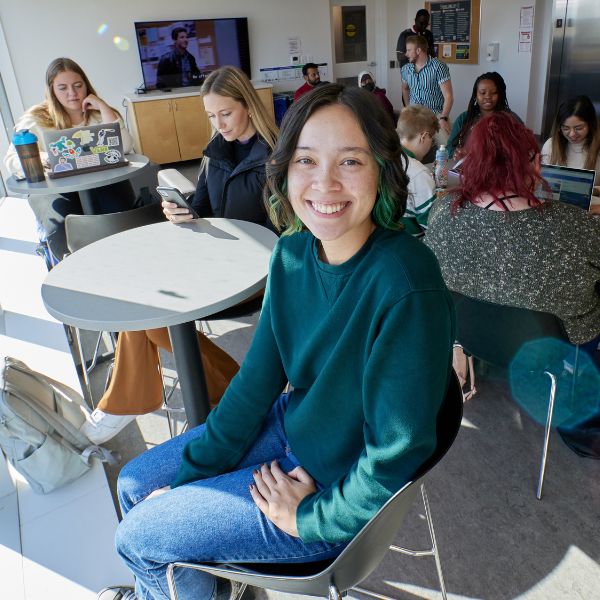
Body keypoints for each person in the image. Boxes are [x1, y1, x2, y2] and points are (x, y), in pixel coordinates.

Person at [103, 83, 454, 600]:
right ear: (285, 168)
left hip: (329, 491)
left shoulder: (405, 282)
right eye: (306, 161)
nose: (324, 184)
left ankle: (167, 582)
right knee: (134, 487)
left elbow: (394, 456)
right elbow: (254, 385)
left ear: (382, 167)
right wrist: (189, 478)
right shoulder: (292, 252)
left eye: (350, 162)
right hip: (289, 430)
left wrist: (312, 517)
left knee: (137, 538)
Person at [81, 66, 279, 445]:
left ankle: (126, 403)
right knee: (144, 305)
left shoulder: (274, 158)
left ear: (248, 106)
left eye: (226, 113)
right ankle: (231, 387)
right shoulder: (216, 152)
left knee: (152, 315)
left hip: (258, 275)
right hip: (212, 264)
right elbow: (202, 208)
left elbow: (283, 231)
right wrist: (182, 211)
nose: (218, 124)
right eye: (211, 116)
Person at [425, 111, 600, 349]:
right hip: (564, 350)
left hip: (470, 336)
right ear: (535, 163)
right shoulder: (578, 225)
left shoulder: (442, 211)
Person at [4, 57, 136, 262]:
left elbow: (125, 147)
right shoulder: (36, 118)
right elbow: (12, 161)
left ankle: (123, 261)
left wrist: (102, 106)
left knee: (118, 215)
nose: (72, 93)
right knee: (61, 227)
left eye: (77, 85)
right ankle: (71, 271)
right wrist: (42, 157)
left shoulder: (99, 114)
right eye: (63, 88)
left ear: (86, 85)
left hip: (101, 181)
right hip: (55, 188)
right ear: (52, 91)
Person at [447, 72, 522, 159]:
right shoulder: (465, 118)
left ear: (500, 95)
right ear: (476, 95)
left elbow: (520, 150)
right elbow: (449, 147)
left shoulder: (511, 119)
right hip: (464, 167)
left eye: (494, 93)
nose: (488, 97)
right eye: (482, 93)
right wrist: (456, 154)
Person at [396, 105, 439, 236]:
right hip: (411, 241)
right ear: (424, 137)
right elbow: (431, 223)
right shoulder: (418, 173)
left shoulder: (386, 157)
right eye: (432, 139)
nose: (431, 145)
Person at [401, 36, 453, 143]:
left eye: (409, 50)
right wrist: (407, 108)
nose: (406, 54)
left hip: (435, 116)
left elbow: (449, 96)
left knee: (447, 146)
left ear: (418, 50)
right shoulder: (406, 69)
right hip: (414, 115)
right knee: (400, 144)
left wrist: (444, 118)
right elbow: (405, 89)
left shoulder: (438, 67)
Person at [541, 95, 600, 185]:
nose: (572, 134)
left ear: (590, 124)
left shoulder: (597, 147)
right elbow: (542, 182)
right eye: (565, 128)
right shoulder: (551, 145)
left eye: (579, 128)